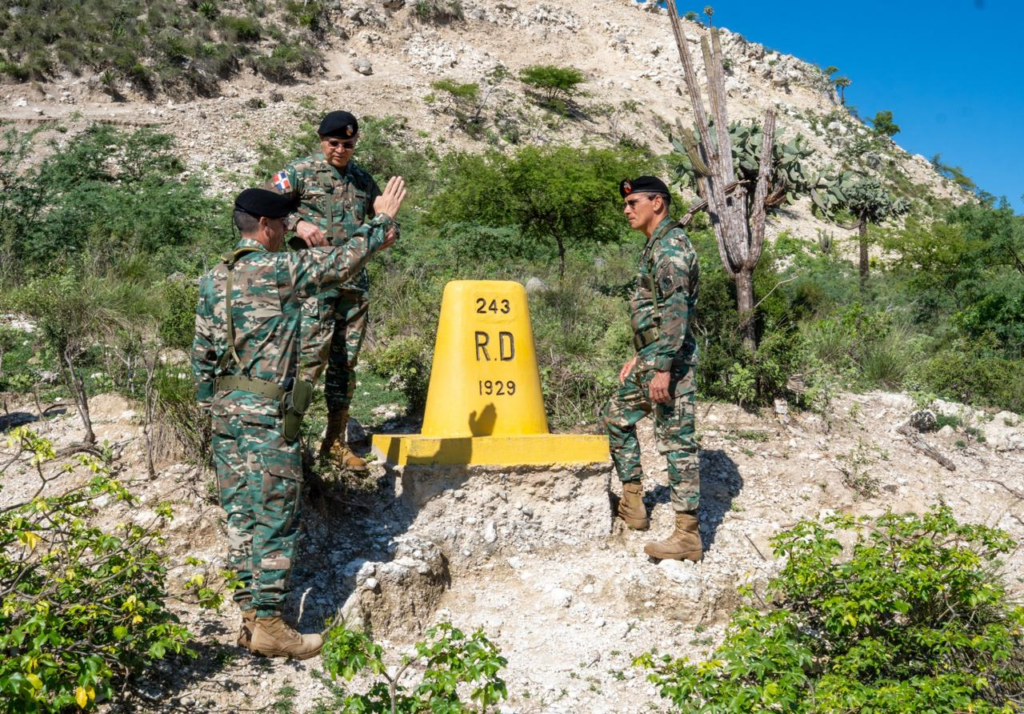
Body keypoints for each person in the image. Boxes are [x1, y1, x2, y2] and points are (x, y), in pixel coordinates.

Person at [191, 180, 406, 659]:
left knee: (242, 516)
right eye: (283, 224)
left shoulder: (214, 277)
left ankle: (250, 618)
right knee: (275, 516)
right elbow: (341, 262)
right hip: (266, 414)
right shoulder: (277, 270)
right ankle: (270, 623)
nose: (288, 230)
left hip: (226, 414)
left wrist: (213, 411)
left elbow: (201, 356)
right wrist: (382, 221)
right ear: (265, 225)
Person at [268, 110, 390, 473]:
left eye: (347, 144)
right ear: (322, 141)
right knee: (307, 361)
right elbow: (263, 204)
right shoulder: (298, 172)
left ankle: (334, 443)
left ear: (355, 143)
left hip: (353, 286)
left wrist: (388, 231)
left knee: (345, 364)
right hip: (312, 286)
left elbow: (384, 215)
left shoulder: (362, 179)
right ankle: (286, 441)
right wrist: (296, 222)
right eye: (334, 143)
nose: (340, 150)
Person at [602, 176, 702, 562]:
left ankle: (687, 535)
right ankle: (633, 504)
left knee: (677, 442)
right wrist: (641, 355)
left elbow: (677, 309)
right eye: (626, 204)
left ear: (657, 204)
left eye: (634, 203)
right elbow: (656, 312)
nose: (626, 210)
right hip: (654, 355)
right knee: (617, 417)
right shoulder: (656, 244)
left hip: (670, 362)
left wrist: (662, 368)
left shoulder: (671, 246)